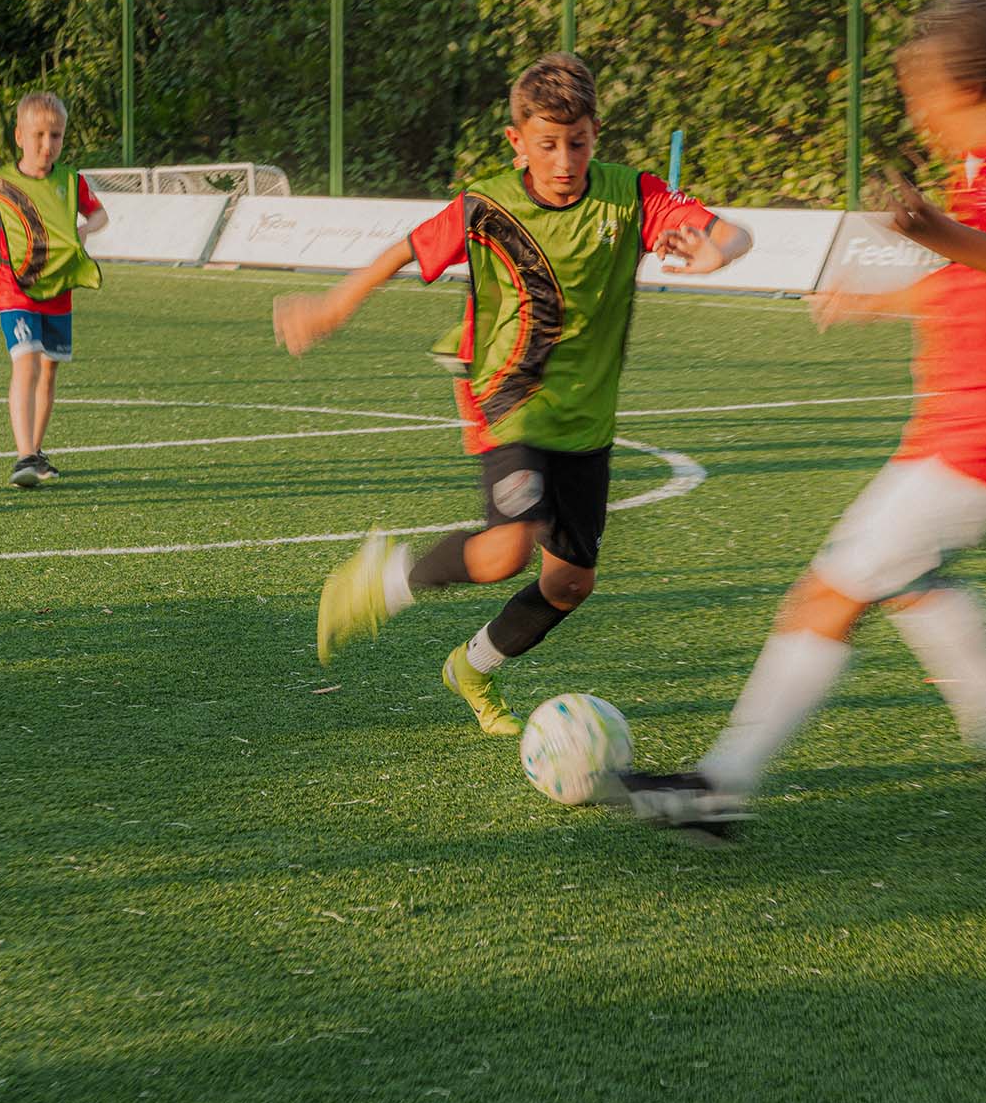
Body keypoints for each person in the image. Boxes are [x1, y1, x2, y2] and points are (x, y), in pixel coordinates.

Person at [619, 0, 986, 842]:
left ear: (968, 87)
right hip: (963, 432)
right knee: (912, 585)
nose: (920, 114)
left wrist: (940, 234)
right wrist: (880, 299)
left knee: (825, 596)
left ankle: (719, 789)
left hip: (984, 437)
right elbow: (979, 281)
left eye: (923, 95)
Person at [274, 53, 751, 735]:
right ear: (517, 140)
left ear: (595, 134)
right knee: (506, 551)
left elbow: (731, 231)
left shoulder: (632, 196)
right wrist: (333, 304)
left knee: (569, 585)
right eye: (547, 144)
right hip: (509, 396)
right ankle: (386, 579)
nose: (564, 161)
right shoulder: (488, 204)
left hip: (586, 420)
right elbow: (407, 248)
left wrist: (718, 251)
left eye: (578, 143)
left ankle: (471, 668)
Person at [0, 92, 109, 488]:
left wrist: (86, 228)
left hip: (59, 291)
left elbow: (100, 214)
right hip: (16, 290)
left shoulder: (71, 181)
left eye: (56, 135)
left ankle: (36, 451)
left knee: (48, 370)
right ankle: (24, 455)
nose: (47, 145)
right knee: (26, 362)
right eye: (39, 135)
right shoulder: (3, 183)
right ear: (19, 136)